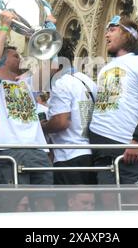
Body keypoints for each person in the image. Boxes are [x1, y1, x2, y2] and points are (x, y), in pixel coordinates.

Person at [89, 15, 138, 189]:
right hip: (102, 153)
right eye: (107, 31)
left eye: (112, 30)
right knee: (108, 209)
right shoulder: (104, 69)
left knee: (136, 207)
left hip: (129, 149)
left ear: (128, 35)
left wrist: (137, 141)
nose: (107, 35)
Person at [0, 11, 53, 189]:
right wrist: (5, 25)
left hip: (39, 150)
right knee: (18, 203)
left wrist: (49, 29)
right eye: (15, 55)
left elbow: (52, 65)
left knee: (46, 204)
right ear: (3, 59)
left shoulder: (28, 83)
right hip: (10, 150)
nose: (21, 57)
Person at [41, 40, 97, 185]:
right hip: (89, 153)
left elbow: (61, 122)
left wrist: (43, 126)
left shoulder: (61, 83)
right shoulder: (88, 81)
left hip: (68, 156)